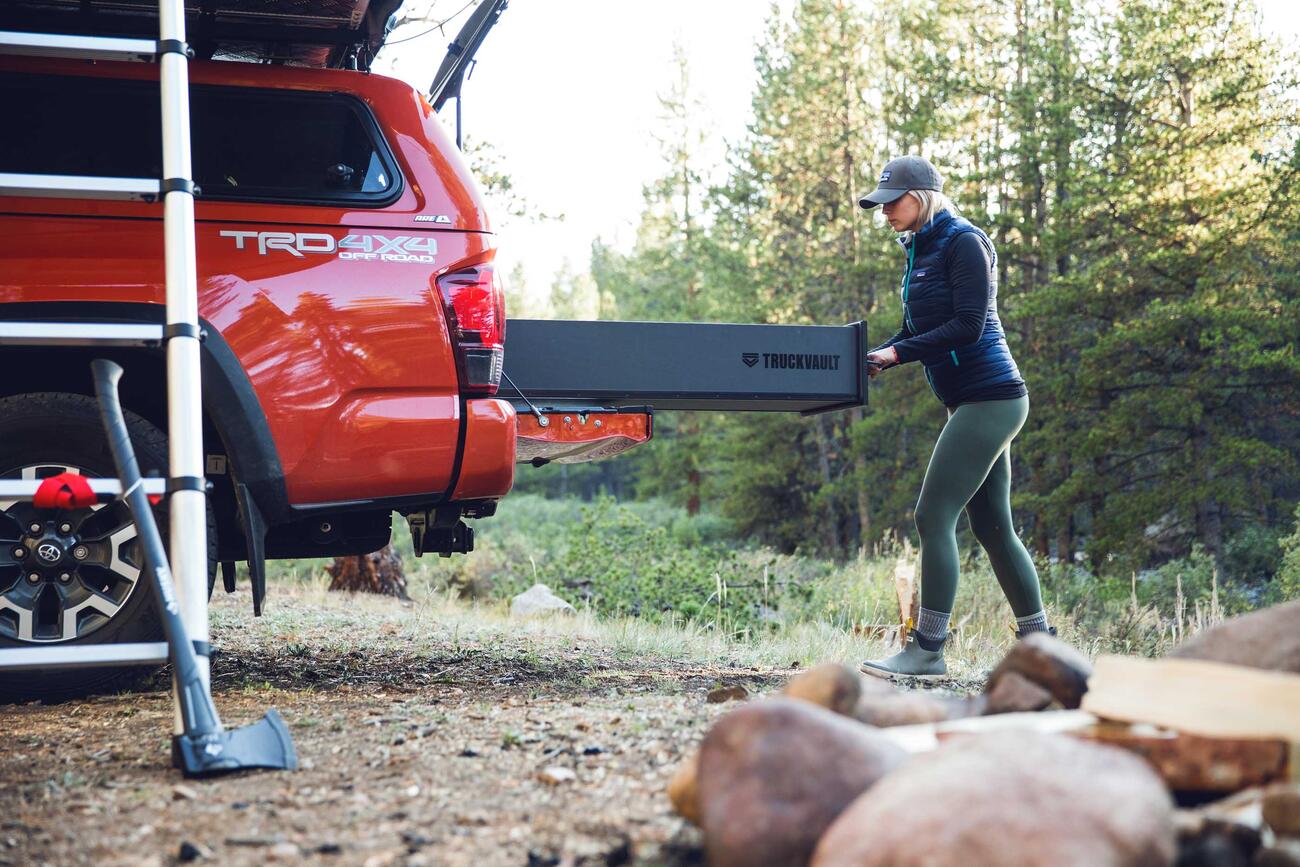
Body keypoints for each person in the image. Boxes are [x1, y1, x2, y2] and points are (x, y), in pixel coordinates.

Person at [857, 155, 1050, 679]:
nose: (885, 213)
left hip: (992, 397)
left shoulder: (964, 241)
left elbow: (968, 325)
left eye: (891, 203)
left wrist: (900, 354)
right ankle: (1042, 651)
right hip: (973, 400)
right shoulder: (920, 249)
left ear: (920, 197)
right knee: (991, 527)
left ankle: (928, 649)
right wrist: (878, 354)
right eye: (880, 206)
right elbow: (914, 328)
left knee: (932, 515)